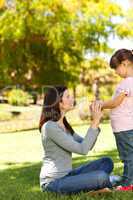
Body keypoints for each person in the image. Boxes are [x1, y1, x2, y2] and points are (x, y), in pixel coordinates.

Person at [39, 85, 115, 194]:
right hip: (53, 183)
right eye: (68, 96)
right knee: (101, 177)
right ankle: (105, 184)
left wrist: (95, 123)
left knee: (106, 162)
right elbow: (82, 150)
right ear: (58, 102)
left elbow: (88, 146)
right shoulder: (50, 127)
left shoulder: (64, 125)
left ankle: (96, 187)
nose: (72, 99)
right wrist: (95, 121)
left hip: (68, 175)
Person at [101, 49, 133, 191]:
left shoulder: (127, 82)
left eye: (116, 67)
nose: (115, 72)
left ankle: (128, 184)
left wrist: (99, 104)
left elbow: (115, 103)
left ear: (125, 64)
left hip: (124, 128)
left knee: (128, 156)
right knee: (129, 155)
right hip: (126, 126)